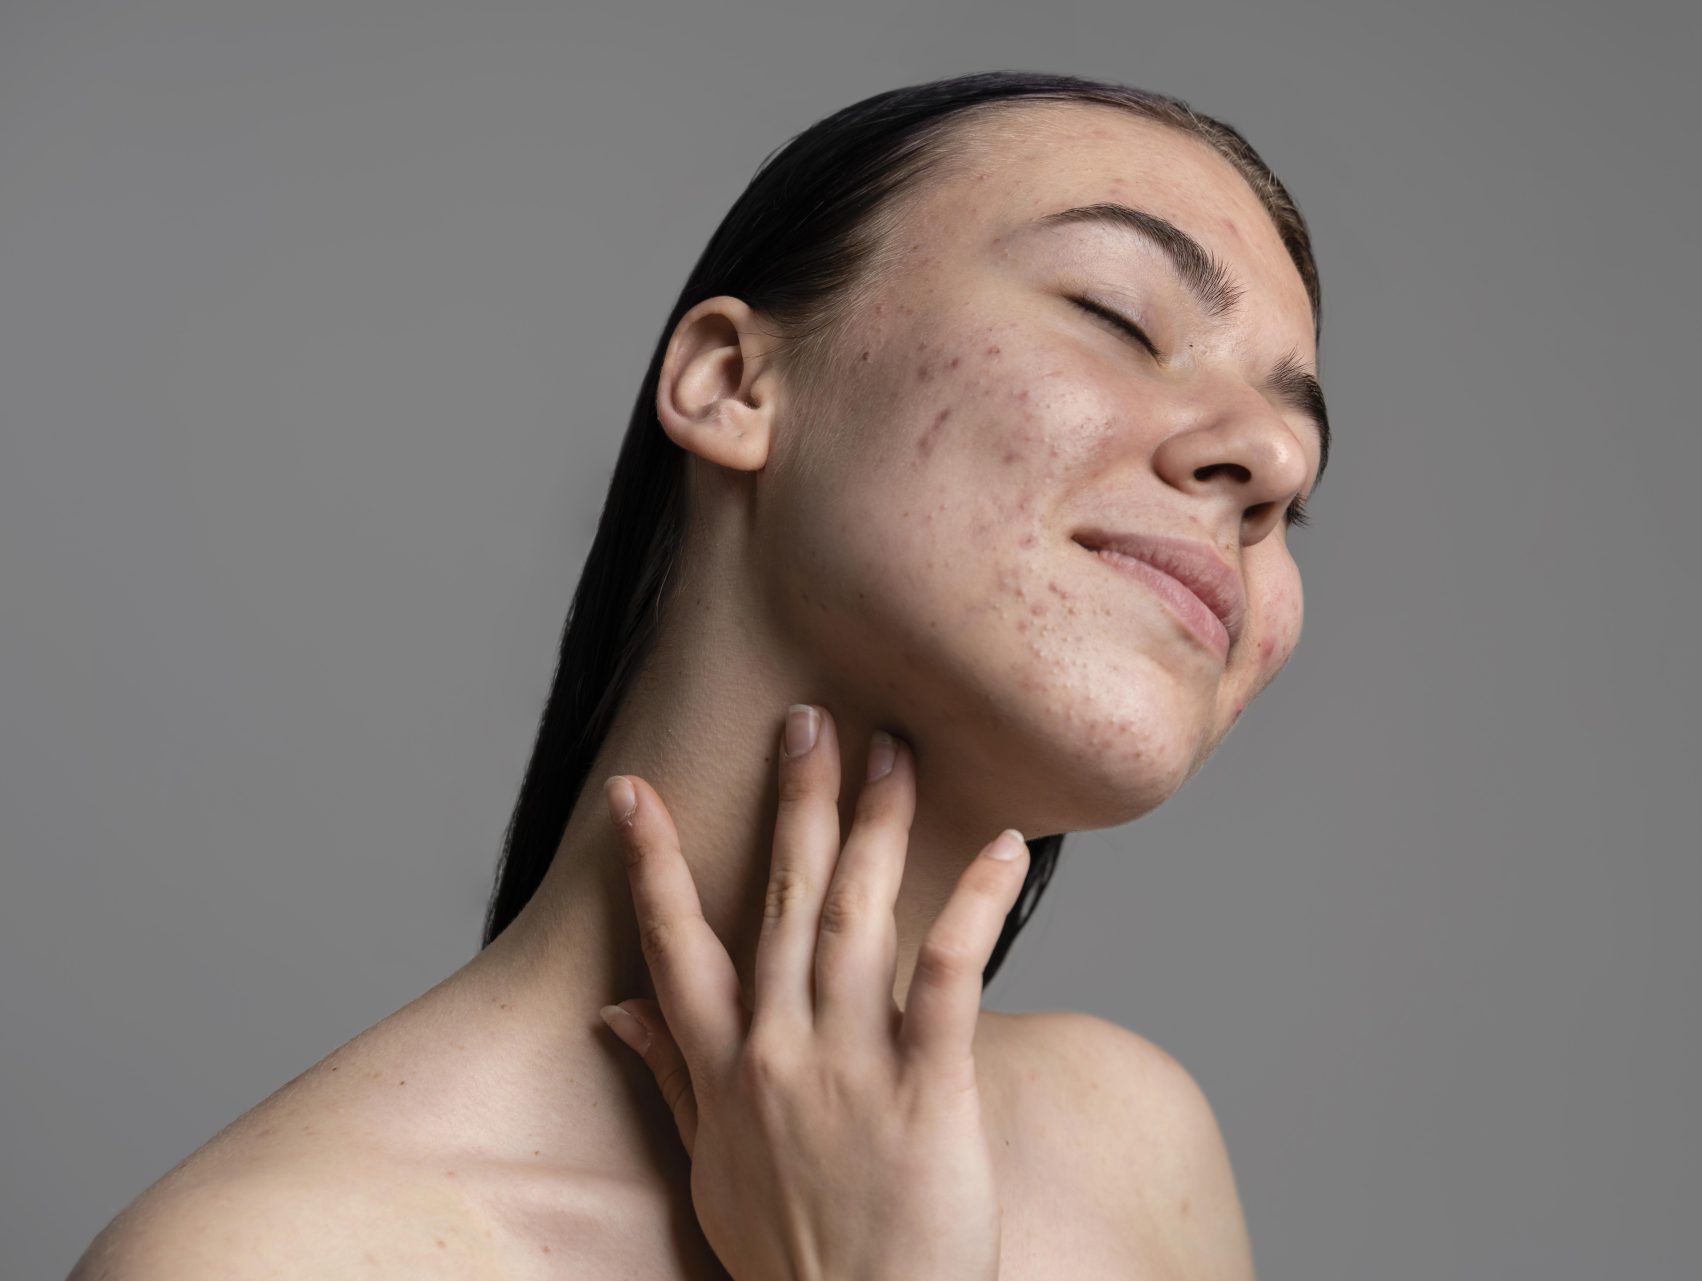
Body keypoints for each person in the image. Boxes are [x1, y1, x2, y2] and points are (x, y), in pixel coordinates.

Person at [69, 69, 1327, 1280]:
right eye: (1118, 314)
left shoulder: (1132, 1153)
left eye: (1303, 472)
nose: (1271, 459)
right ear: (730, 382)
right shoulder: (272, 1260)